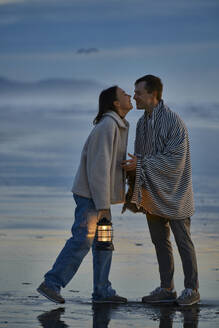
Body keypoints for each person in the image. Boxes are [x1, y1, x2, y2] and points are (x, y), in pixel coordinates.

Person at [37, 86, 132, 304]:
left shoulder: (116, 125)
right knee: (83, 240)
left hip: (100, 198)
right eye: (124, 94)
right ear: (116, 103)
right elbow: (98, 168)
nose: (129, 96)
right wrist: (102, 205)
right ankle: (51, 284)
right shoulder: (108, 125)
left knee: (104, 243)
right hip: (92, 197)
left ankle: (102, 291)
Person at [122, 74, 200, 306]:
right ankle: (167, 288)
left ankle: (191, 289)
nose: (134, 96)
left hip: (176, 192)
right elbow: (139, 157)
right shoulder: (142, 122)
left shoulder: (173, 122)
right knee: (160, 241)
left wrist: (142, 163)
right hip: (152, 193)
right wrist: (134, 177)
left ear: (152, 95)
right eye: (134, 93)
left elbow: (176, 160)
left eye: (138, 92)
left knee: (183, 241)